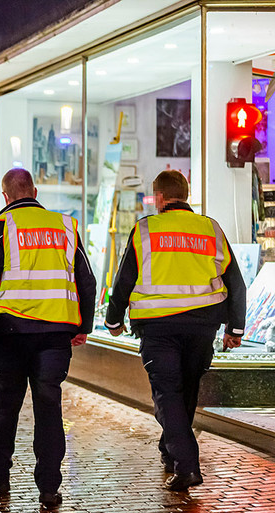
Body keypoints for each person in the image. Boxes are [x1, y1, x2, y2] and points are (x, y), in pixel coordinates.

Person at [105, 169, 245, 491]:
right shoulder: (211, 229)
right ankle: (172, 448)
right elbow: (235, 282)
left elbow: (123, 280)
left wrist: (114, 320)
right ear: (185, 194)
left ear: (161, 198)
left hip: (159, 327)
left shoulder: (145, 230)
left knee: (167, 393)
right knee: (186, 389)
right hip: (202, 327)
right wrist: (235, 328)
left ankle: (187, 465)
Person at [0, 168, 96, 509]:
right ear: (34, 191)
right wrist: (84, 325)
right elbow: (87, 280)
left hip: (10, 335)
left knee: (5, 407)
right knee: (49, 407)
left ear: (5, 195)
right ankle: (50, 487)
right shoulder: (65, 227)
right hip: (55, 336)